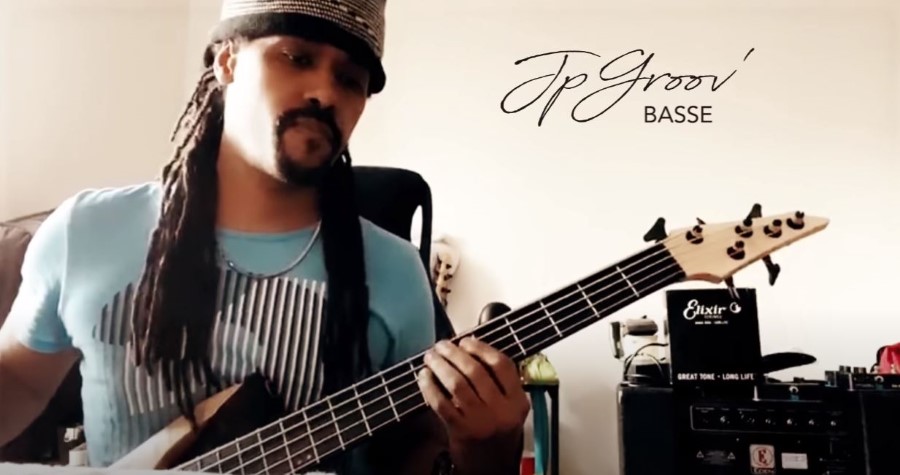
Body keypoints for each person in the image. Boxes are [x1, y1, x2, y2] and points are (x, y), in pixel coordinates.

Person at [0, 1, 530, 474]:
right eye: (297, 58)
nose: (325, 92)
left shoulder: (394, 271)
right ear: (226, 60)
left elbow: (415, 452)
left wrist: (488, 446)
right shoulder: (85, 231)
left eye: (350, 80)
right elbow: (20, 382)